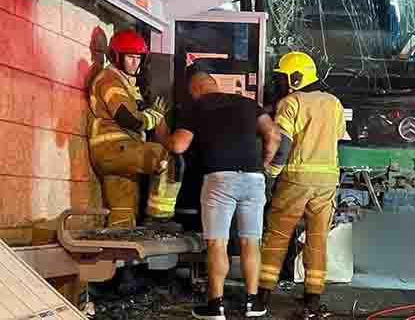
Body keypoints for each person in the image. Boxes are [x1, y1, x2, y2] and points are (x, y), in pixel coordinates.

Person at [157, 71, 281, 320]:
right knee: (251, 241)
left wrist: (160, 129)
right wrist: (264, 163)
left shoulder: (197, 107)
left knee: (217, 243)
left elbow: (178, 145)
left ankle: (216, 306)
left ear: (195, 90)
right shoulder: (248, 104)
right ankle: (253, 303)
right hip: (254, 179)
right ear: (215, 84)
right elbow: (274, 135)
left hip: (219, 180)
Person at [257, 52, 346, 319]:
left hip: (296, 180)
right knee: (317, 238)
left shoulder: (291, 102)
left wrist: (269, 174)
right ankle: (313, 297)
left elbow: (283, 145)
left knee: (277, 234)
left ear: (296, 78)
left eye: (283, 78)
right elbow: (338, 138)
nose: (280, 84)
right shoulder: (334, 103)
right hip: (327, 182)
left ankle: (262, 294)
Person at [87, 29, 182, 229]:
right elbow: (128, 118)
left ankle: (117, 244)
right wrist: (153, 116)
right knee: (167, 159)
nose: (135, 63)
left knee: (123, 213)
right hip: (116, 147)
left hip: (113, 152)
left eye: (138, 58)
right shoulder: (110, 80)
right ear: (116, 57)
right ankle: (159, 218)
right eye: (130, 57)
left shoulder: (124, 82)